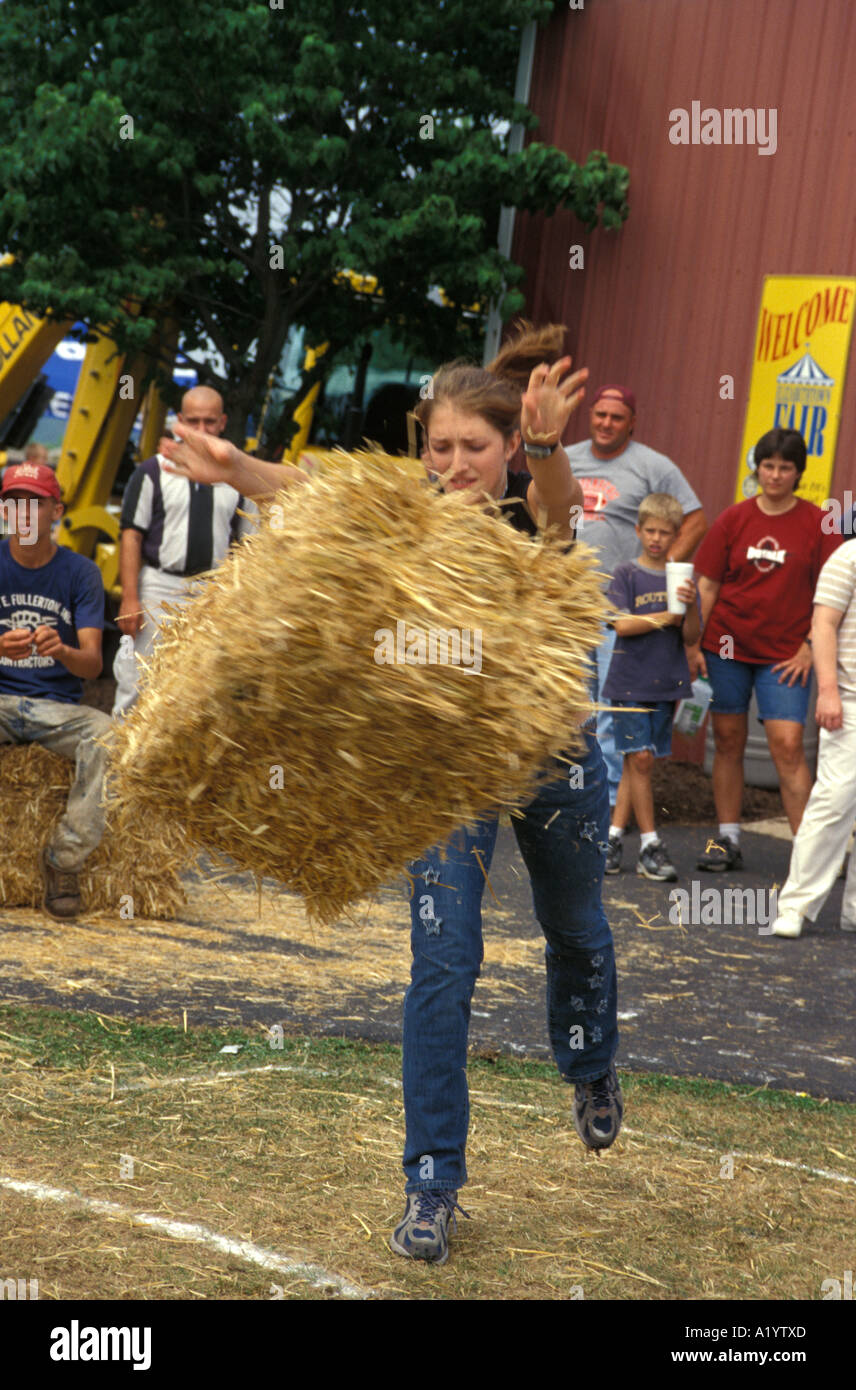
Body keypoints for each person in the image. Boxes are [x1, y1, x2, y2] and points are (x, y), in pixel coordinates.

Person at [158, 323, 623, 1268]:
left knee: (573, 929)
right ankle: (431, 1183)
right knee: (442, 965)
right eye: (440, 447)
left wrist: (542, 446)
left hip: (553, 757)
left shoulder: (530, 510)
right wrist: (236, 462)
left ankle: (589, 1064)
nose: (454, 465)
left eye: (474, 448)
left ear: (505, 449)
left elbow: (559, 500)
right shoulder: (406, 507)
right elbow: (319, 489)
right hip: (447, 773)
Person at [693, 427, 843, 870]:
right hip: (726, 648)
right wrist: (695, 644)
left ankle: (809, 855)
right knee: (727, 739)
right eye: (768, 465)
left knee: (788, 745)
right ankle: (727, 839)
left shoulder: (818, 525)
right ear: (757, 468)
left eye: (785, 467)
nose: (775, 475)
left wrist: (808, 648)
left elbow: (833, 598)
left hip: (786, 656)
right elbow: (707, 586)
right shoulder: (733, 519)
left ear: (798, 473)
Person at [565, 387, 707, 814]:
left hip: (620, 611)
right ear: (590, 417)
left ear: (632, 423)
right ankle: (571, 800)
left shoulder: (652, 465)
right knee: (571, 709)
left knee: (612, 712)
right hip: (568, 607)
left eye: (617, 417)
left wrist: (657, 571)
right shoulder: (566, 458)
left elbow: (696, 519)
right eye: (600, 414)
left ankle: (606, 811)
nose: (606, 423)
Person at [0, 462, 110, 919]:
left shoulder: (81, 573)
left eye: (34, 503)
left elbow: (94, 664)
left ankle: (63, 860)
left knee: (106, 734)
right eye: (14, 502)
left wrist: (62, 650)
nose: (23, 513)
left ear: (56, 511)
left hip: (55, 709)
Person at [112, 386, 257, 716]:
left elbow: (249, 547)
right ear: (179, 422)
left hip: (213, 592)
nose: (202, 430)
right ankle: (120, 762)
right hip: (160, 585)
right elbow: (131, 535)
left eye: (209, 422)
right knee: (137, 680)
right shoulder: (152, 471)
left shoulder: (240, 476)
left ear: (222, 423)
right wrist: (130, 596)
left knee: (204, 688)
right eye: (193, 422)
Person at [603, 494, 700, 881]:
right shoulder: (626, 573)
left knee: (636, 761)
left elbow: (692, 634)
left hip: (665, 682)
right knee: (640, 759)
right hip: (628, 681)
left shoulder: (681, 578)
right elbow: (621, 625)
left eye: (665, 532)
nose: (657, 538)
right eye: (651, 531)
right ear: (638, 530)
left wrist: (689, 608)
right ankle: (650, 845)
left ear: (677, 535)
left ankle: (611, 838)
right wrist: (668, 616)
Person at [771, 538, 856, 937]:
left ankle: (853, 911)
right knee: (833, 802)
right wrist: (827, 690)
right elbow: (823, 623)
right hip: (850, 698)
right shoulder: (848, 556)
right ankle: (796, 906)